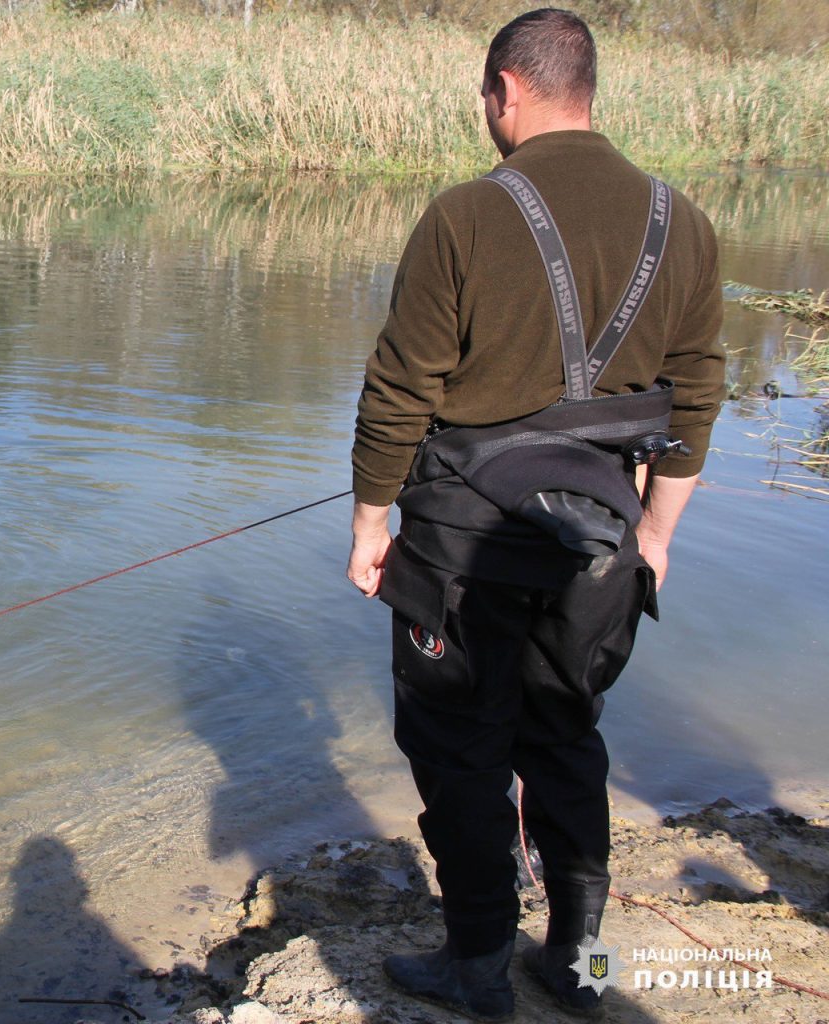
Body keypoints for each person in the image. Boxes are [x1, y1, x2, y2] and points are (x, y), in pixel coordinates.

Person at [346, 8, 724, 1020]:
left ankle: (477, 971)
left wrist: (370, 525)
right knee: (567, 740)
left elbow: (398, 390)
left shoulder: (467, 215)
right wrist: (656, 536)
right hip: (602, 541)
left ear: (507, 89)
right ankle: (581, 969)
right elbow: (697, 396)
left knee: (458, 750)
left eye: (485, 97)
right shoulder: (679, 221)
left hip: (465, 542)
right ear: (587, 89)